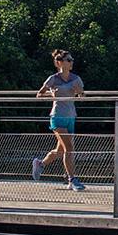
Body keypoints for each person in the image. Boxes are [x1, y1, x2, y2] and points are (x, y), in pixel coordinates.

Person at [33, 49, 86, 191]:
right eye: (68, 60)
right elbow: (39, 94)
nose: (71, 62)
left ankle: (40, 164)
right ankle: (72, 180)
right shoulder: (53, 79)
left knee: (60, 151)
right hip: (57, 117)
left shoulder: (76, 79)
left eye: (72, 60)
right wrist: (52, 94)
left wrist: (80, 93)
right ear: (59, 63)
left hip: (70, 116)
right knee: (69, 148)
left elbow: (82, 96)